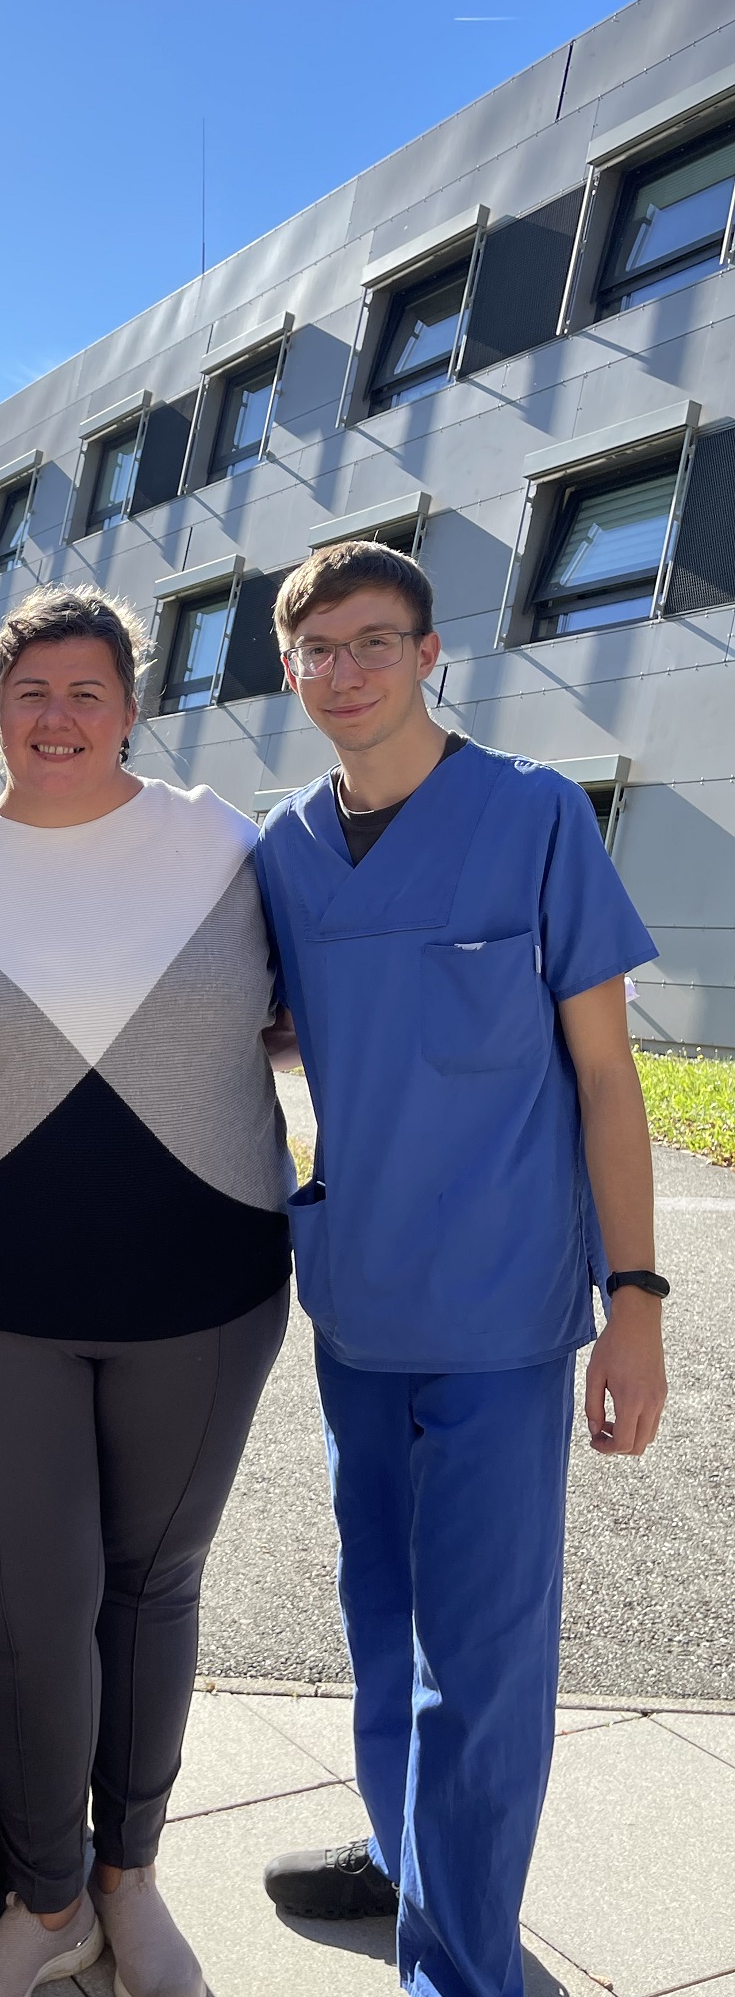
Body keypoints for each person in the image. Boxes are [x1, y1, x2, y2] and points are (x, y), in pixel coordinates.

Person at [0, 584, 293, 1997]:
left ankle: (127, 1881)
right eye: (29, 692)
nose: (57, 717)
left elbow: (320, 1013)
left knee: (151, 1592)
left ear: (131, 707)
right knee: (24, 1611)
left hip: (206, 1291)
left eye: (87, 691)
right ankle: (45, 1904)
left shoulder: (227, 852)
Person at [253, 541, 667, 1997]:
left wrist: (635, 1301)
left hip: (501, 1315)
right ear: (291, 671)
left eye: (375, 642)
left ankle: (461, 1966)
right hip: (359, 1302)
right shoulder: (282, 850)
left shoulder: (535, 816)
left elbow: (607, 1079)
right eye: (319, 650)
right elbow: (273, 1023)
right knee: (380, 1626)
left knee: (481, 1661)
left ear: (432, 654)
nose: (346, 671)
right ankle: (405, 1855)